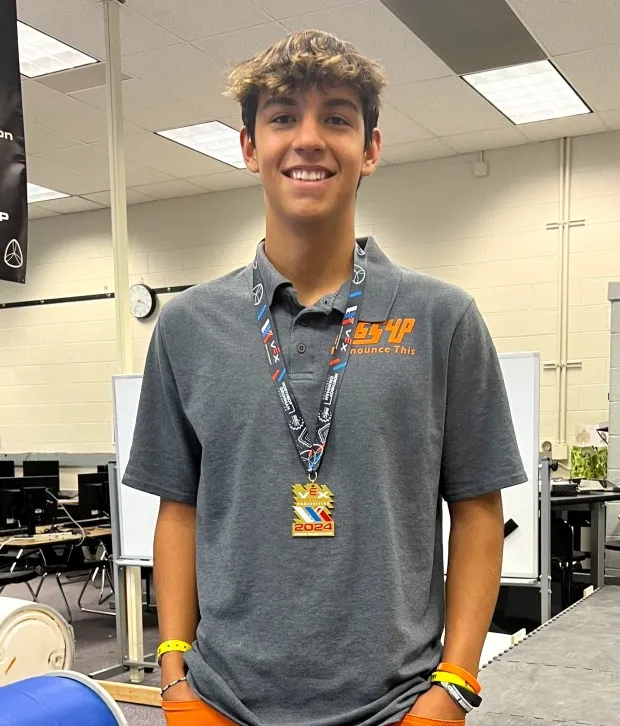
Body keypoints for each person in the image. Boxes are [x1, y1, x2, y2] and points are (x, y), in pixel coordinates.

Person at [124, 29, 527, 726]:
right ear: (250, 147)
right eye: (283, 117)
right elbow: (179, 510)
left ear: (370, 148)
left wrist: (455, 685)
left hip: (397, 707)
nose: (308, 138)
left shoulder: (442, 318)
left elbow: (477, 510)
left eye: (336, 117)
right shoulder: (188, 326)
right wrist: (173, 677)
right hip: (221, 704)